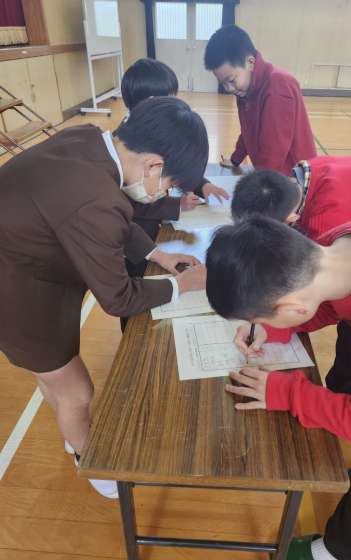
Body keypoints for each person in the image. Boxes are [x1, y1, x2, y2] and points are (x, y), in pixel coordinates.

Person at [0, 96, 208, 499]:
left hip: (28, 269)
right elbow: (118, 297)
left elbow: (116, 221)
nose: (166, 191)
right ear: (154, 166)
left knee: (54, 378)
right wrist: (183, 285)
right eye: (170, 184)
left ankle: (71, 432)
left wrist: (157, 254)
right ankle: (88, 457)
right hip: (15, 293)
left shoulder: (89, 140)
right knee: (76, 391)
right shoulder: (95, 199)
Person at [205, 216, 351, 559]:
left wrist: (291, 394)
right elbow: (330, 302)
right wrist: (274, 328)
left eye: (258, 319)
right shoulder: (342, 244)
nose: (256, 325)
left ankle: (334, 552)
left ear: (292, 307)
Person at [231, 156, 351, 396]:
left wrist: (276, 327)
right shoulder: (302, 179)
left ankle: (343, 392)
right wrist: (272, 327)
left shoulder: (329, 220)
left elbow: (330, 303)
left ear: (289, 220)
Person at [121, 58, 229, 225]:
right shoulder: (126, 147)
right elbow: (131, 202)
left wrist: (203, 186)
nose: (174, 105)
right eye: (168, 100)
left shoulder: (160, 127)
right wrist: (176, 205)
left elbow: (177, 164)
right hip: (142, 228)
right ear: (150, 102)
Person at [204, 24, 316, 175]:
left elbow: (273, 153)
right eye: (223, 83)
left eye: (231, 80)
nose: (228, 88)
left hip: (293, 177)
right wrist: (236, 159)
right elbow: (247, 131)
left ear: (250, 63)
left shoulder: (278, 87)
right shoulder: (244, 90)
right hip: (271, 173)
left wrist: (258, 183)